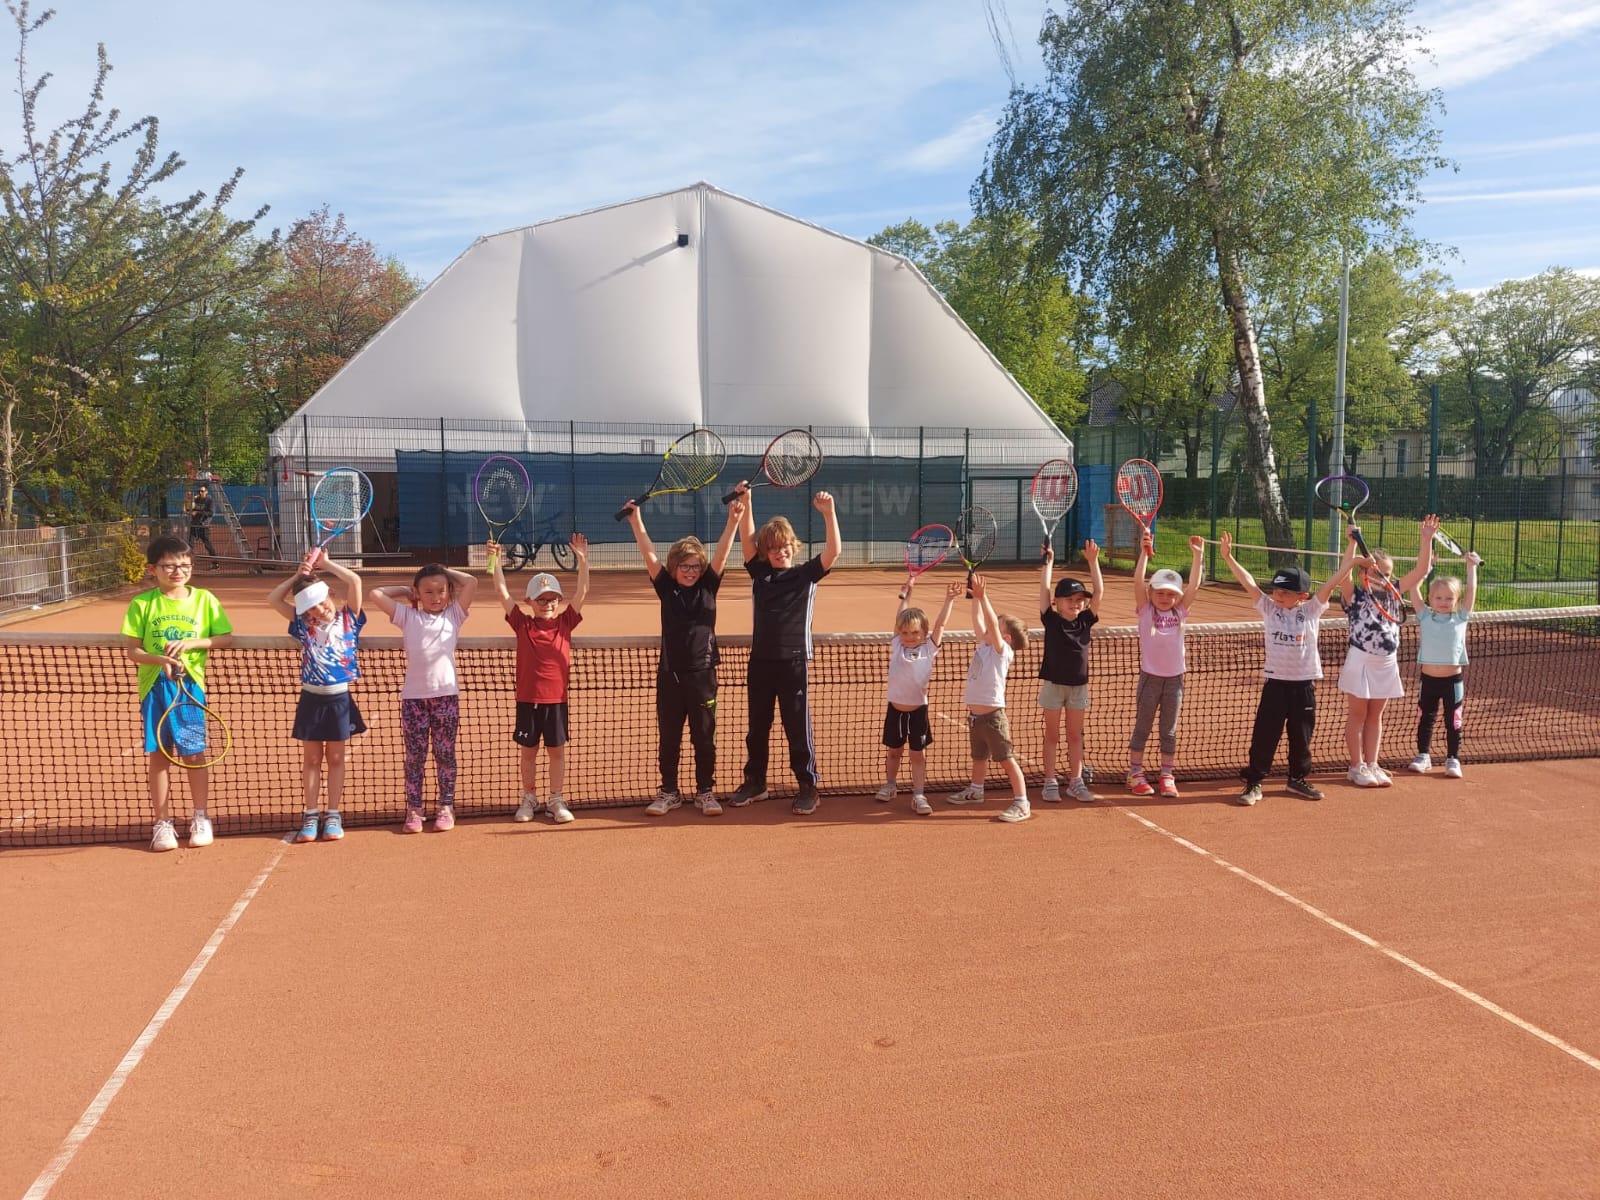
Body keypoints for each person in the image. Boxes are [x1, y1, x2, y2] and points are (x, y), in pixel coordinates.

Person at [622, 497, 743, 817]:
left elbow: (721, 553)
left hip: (703, 676)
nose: (690, 571)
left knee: (704, 738)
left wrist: (733, 521)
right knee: (669, 738)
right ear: (674, 568)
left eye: (695, 566)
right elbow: (649, 553)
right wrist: (636, 521)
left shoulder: (709, 586)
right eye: (684, 566)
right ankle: (669, 792)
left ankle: (705, 792)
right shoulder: (665, 587)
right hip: (670, 676)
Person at [726, 487, 842, 816]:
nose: (780, 552)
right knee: (756, 728)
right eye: (773, 548)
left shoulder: (806, 575)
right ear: (766, 553)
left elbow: (833, 551)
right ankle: (755, 782)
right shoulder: (760, 574)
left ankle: (807, 786)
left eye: (784, 545)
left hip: (793, 662)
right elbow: (748, 539)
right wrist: (748, 504)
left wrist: (829, 513)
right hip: (760, 662)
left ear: (793, 545)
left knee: (796, 727)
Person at [1220, 530, 1356, 806]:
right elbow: (1248, 583)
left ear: (1302, 595)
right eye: (1275, 590)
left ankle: (1297, 779)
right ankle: (1254, 782)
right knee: (1265, 735)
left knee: (1301, 736)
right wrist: (1228, 557)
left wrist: (1351, 549)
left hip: (1304, 685)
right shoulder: (1269, 609)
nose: (1277, 595)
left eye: (1284, 592)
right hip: (1275, 685)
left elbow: (1336, 579)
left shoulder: (1312, 610)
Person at [120, 534, 235, 852]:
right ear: (152, 569)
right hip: (154, 687)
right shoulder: (142, 604)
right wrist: (160, 660)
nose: (178, 571)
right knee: (159, 756)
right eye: (169, 566)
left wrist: (191, 644)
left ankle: (201, 817)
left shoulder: (205, 600)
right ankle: (162, 823)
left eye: (184, 565)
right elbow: (133, 651)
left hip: (190, 689)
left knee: (194, 755)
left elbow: (224, 637)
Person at [367, 563, 480, 832]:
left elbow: (472, 582)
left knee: (445, 754)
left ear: (449, 591)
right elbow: (375, 594)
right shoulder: (408, 616)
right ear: (418, 593)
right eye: (428, 591)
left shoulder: (454, 615)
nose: (435, 596)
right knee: (415, 757)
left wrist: (445, 571)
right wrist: (406, 591)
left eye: (441, 590)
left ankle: (446, 807)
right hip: (414, 700)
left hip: (446, 698)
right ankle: (414, 810)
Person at [493, 533, 590, 824]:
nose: (547, 603)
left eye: (552, 599)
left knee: (556, 752)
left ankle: (556, 799)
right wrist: (494, 561)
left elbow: (582, 592)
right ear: (529, 601)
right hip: (527, 700)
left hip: (556, 701)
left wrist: (583, 561)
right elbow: (502, 592)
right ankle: (529, 797)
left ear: (559, 601)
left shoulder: (565, 623)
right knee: (529, 752)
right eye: (541, 599)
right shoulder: (522, 623)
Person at [268, 557, 367, 842]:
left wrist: (327, 563)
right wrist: (297, 576)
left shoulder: (350, 618)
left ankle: (333, 814)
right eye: (312, 607)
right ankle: (311, 814)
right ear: (305, 610)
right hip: (311, 700)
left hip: (339, 701)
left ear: (330, 595)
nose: (320, 609)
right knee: (311, 759)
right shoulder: (302, 625)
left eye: (322, 602)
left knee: (336, 758)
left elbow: (355, 580)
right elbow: (273, 599)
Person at [1337, 516, 1436, 788]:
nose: (1382, 578)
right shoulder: (1355, 596)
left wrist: (1426, 538)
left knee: (1375, 716)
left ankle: (1372, 763)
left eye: (1387, 574)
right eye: (1375, 572)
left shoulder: (1395, 594)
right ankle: (1356, 766)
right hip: (1361, 660)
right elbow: (1343, 575)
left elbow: (1421, 569)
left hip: (1386, 663)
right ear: (1364, 574)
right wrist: (1351, 545)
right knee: (1357, 715)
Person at [946, 573, 1033, 822]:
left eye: (996, 627)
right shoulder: (984, 646)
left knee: (1006, 760)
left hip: (994, 719)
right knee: (979, 758)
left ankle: (1022, 803)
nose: (988, 628)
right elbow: (978, 620)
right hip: (976, 718)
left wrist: (985, 598)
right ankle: (976, 791)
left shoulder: (1001, 652)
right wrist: (975, 597)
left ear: (1006, 638)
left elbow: (992, 625)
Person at [1127, 532, 1206, 797]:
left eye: (1171, 594)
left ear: (1177, 598)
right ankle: (1135, 773)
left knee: (1169, 731)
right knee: (1143, 727)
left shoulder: (1179, 612)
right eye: (1159, 592)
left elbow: (1194, 586)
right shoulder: (1145, 611)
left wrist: (1198, 556)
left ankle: (1166, 775)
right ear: (1151, 594)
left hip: (1175, 680)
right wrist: (1143, 554)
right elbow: (1137, 581)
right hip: (1150, 678)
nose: (1164, 597)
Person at [876, 575, 962, 815]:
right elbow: (899, 618)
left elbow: (940, 625)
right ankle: (890, 785)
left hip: (918, 712)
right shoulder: (897, 645)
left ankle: (918, 795)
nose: (909, 636)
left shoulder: (929, 648)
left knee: (917, 755)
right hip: (895, 710)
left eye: (914, 632)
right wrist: (906, 595)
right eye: (905, 632)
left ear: (924, 633)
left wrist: (949, 600)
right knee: (894, 752)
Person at [1408, 532, 1481, 779]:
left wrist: (1471, 567)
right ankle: (1423, 755)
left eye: (1449, 598)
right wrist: (1426, 569)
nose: (1443, 601)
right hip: (1428, 680)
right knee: (1425, 718)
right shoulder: (1424, 615)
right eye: (1438, 597)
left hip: (1453, 681)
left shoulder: (1461, 617)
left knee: (1454, 721)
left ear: (1457, 600)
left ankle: (1453, 759)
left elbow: (1471, 590)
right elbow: (1413, 588)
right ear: (1430, 598)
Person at [1037, 539, 1104, 804]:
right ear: (1057, 602)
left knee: (1075, 735)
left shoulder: (1086, 621)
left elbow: (1099, 593)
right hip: (1054, 686)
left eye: (1079, 600)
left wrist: (1093, 562)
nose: (1076, 603)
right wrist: (1049, 563)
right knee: (1052, 735)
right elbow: (1044, 589)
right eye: (1070, 599)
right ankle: (1049, 782)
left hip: (1078, 687)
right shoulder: (1051, 620)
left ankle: (1076, 782)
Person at [187, 482, 219, 567]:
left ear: (206, 492)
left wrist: (198, 512)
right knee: (190, 544)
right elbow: (188, 509)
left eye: (202, 491)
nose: (200, 493)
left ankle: (215, 563)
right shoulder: (196, 499)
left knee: (208, 545)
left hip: (203, 526)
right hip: (194, 525)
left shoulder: (209, 501)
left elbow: (211, 513)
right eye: (199, 491)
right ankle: (189, 562)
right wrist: (189, 499)